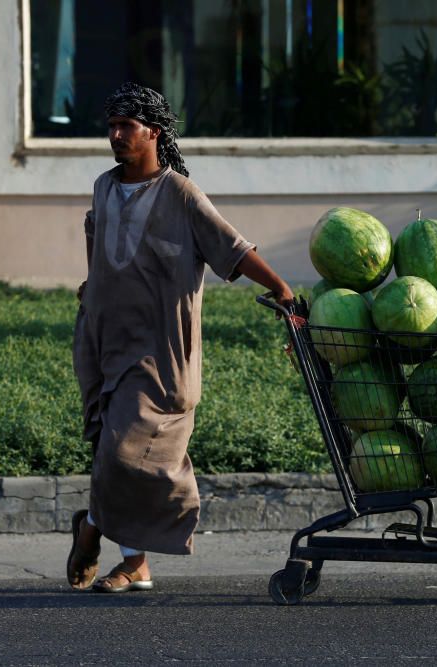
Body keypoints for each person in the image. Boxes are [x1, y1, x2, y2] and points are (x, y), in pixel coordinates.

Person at [66, 83, 293, 593]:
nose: (116, 135)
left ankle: (93, 528)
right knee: (111, 450)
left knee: (132, 456)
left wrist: (279, 286)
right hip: (104, 341)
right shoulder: (103, 186)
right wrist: (93, 284)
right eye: (112, 126)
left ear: (155, 132)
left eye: (127, 126)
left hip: (162, 353)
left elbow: (231, 248)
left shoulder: (181, 196)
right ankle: (135, 563)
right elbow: (95, 233)